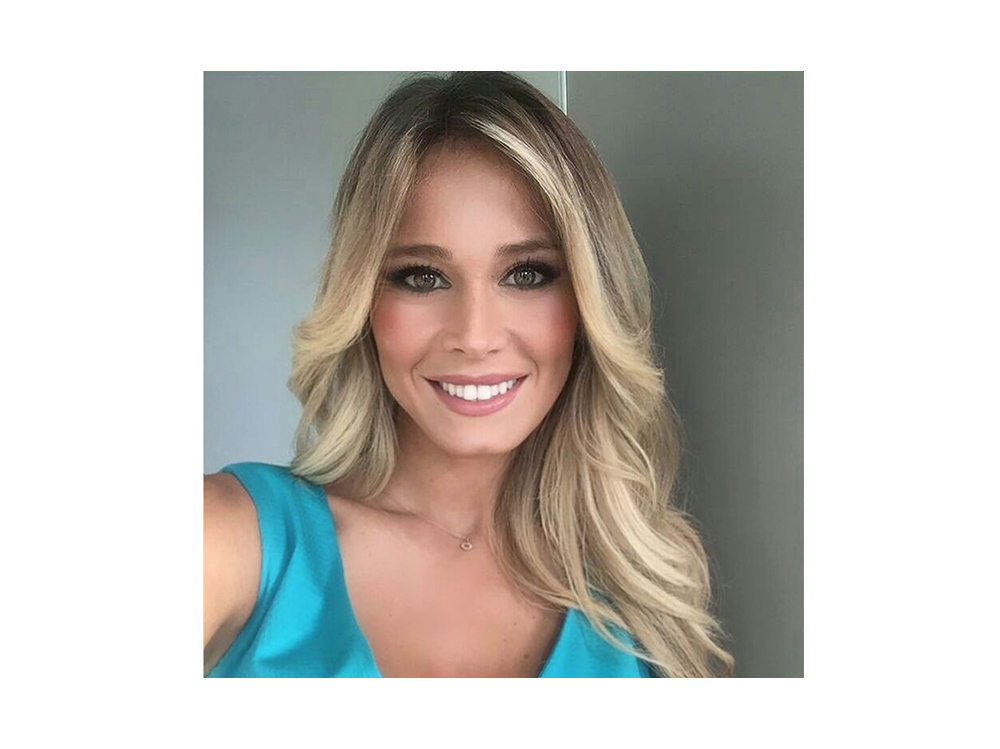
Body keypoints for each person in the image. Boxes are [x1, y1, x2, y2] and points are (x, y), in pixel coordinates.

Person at [203, 71, 734, 678]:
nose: (476, 336)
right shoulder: (227, 538)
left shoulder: (645, 595)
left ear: (590, 302)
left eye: (527, 274)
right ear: (363, 299)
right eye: (423, 277)